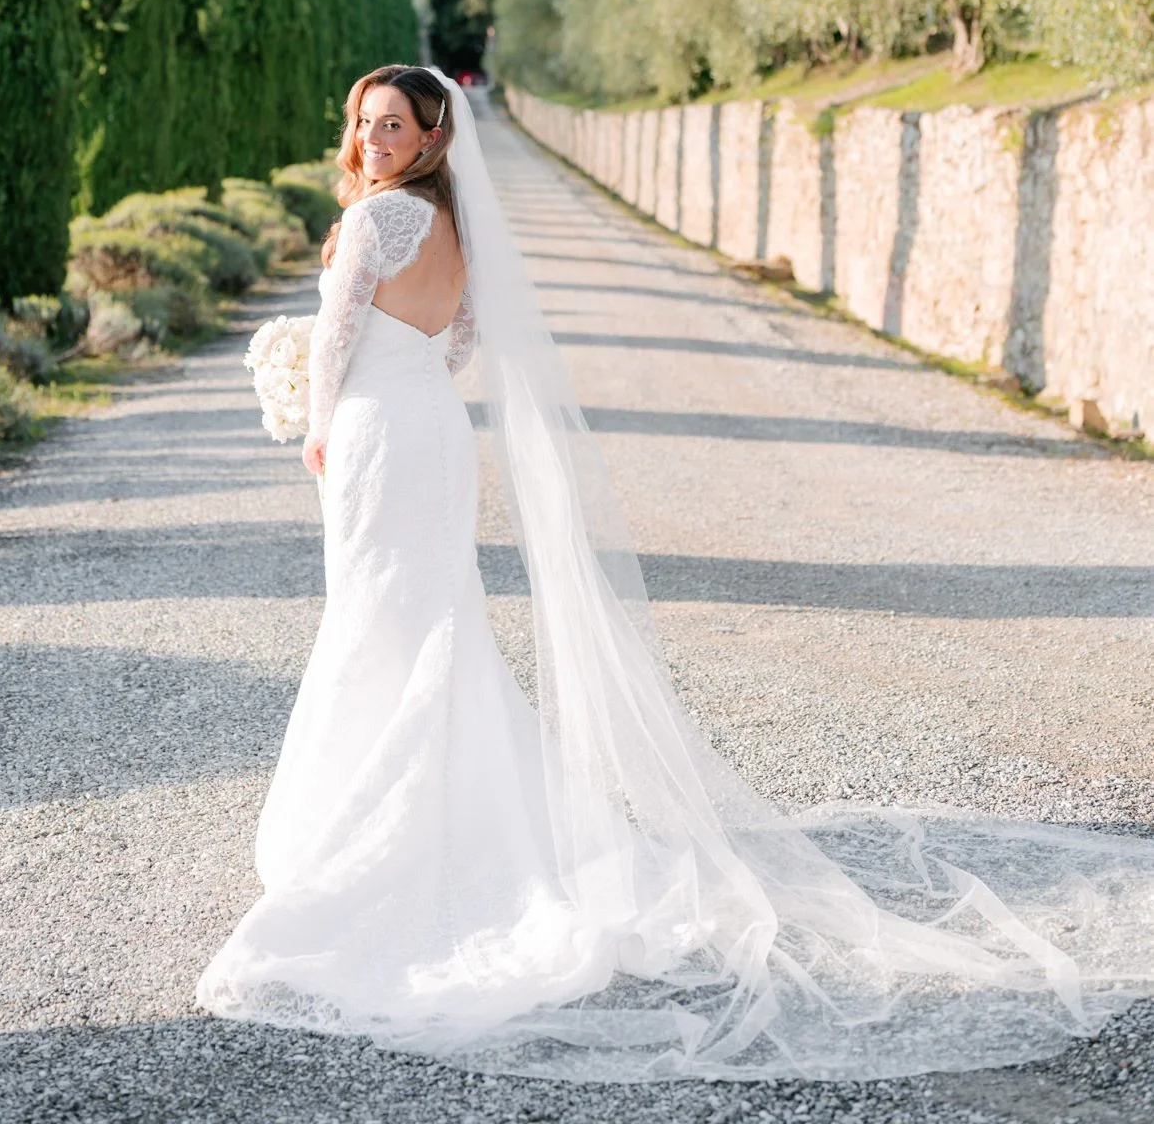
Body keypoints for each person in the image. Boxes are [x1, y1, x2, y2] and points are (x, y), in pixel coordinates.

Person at [197, 64, 1154, 1083]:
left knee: (375, 615)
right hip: (431, 424)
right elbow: (465, 337)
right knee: (431, 615)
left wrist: (314, 422)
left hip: (377, 431)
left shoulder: (375, 222)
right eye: (364, 120)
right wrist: (407, 366)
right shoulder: (458, 228)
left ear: (430, 136)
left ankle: (366, 837)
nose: (374, 135)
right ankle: (464, 823)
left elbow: (340, 328)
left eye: (392, 122)